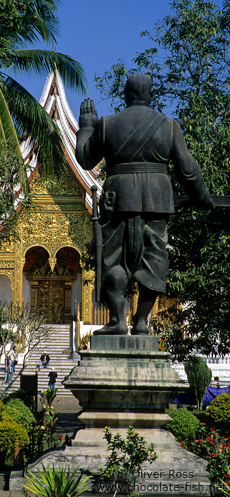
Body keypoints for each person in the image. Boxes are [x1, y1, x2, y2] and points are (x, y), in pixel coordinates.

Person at [76, 74, 214, 335]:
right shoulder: (169, 127)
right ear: (151, 95)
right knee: (154, 261)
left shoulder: (107, 124)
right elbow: (188, 170)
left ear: (125, 95)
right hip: (157, 202)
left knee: (113, 260)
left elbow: (85, 159)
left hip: (117, 201)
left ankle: (117, 320)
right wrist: (203, 197)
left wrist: (86, 127)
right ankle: (141, 321)